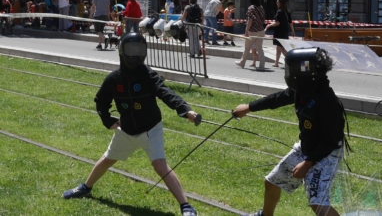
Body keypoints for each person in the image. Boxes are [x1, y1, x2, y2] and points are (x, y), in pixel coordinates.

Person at [62, 32, 199, 216]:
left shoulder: (148, 76)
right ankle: (85, 188)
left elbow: (166, 93)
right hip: (126, 130)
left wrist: (186, 110)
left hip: (151, 129)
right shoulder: (113, 79)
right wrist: (107, 120)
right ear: (121, 51)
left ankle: (186, 206)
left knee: (159, 165)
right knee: (108, 159)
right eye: (131, 49)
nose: (135, 54)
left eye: (139, 49)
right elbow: (101, 102)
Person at [233, 47, 351, 216]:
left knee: (318, 204)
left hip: (326, 154)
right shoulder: (303, 89)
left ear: (304, 72)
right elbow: (277, 99)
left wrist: (307, 163)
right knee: (272, 183)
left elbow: (330, 141)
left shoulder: (327, 101)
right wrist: (249, 107)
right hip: (306, 147)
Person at [235, 0, 266, 71]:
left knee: (247, 48)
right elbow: (263, 19)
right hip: (261, 30)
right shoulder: (261, 7)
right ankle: (262, 65)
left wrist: (246, 31)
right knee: (260, 49)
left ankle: (242, 62)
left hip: (253, 31)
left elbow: (250, 20)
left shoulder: (251, 8)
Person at [265, 0, 295, 67]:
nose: (276, 3)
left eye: (277, 2)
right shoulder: (287, 11)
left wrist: (268, 26)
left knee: (281, 48)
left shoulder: (279, 11)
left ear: (280, 3)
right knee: (278, 47)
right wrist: (293, 31)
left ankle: (290, 62)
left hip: (279, 32)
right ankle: (276, 63)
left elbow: (277, 23)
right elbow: (290, 22)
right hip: (285, 32)